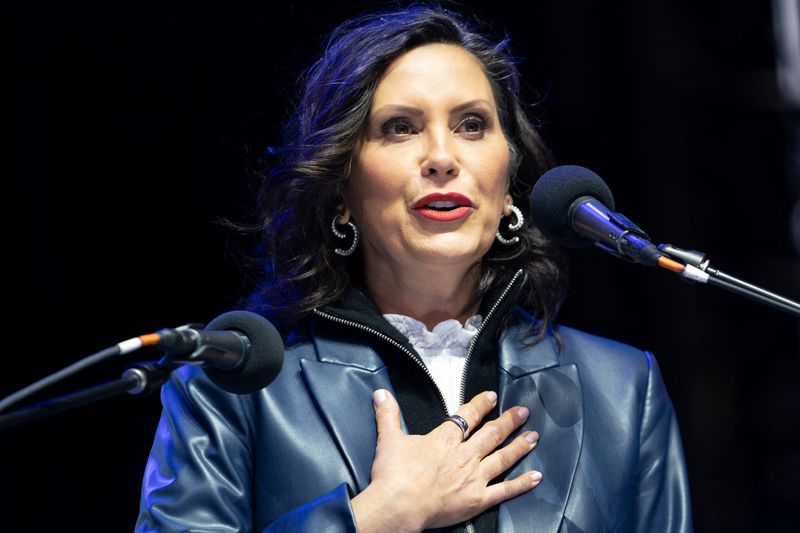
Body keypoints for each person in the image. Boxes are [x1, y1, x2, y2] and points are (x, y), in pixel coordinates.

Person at [136, 4, 693, 532]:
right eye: (400, 127)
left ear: (508, 185)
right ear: (340, 192)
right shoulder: (234, 387)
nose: (443, 157)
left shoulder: (623, 391)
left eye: (472, 125)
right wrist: (375, 518)